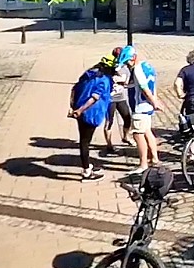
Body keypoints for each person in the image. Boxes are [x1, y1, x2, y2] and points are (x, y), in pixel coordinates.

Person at [68, 53, 115, 181]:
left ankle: (87, 165)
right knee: (85, 142)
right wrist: (80, 110)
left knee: (84, 140)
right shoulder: (104, 79)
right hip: (90, 113)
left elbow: (74, 89)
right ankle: (86, 172)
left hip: (79, 110)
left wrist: (73, 107)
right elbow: (95, 97)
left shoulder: (88, 74)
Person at [117, 46, 162, 175]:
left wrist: (154, 102)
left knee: (138, 135)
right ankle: (154, 158)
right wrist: (154, 100)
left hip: (140, 107)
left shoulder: (137, 69)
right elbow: (152, 85)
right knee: (148, 132)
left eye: (127, 62)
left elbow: (144, 87)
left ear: (133, 58)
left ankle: (143, 164)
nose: (127, 66)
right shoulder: (147, 66)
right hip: (147, 107)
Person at [103, 46, 132, 156]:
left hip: (121, 97)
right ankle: (109, 144)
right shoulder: (109, 67)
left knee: (127, 118)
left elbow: (128, 80)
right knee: (109, 122)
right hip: (110, 99)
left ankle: (125, 137)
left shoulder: (125, 67)